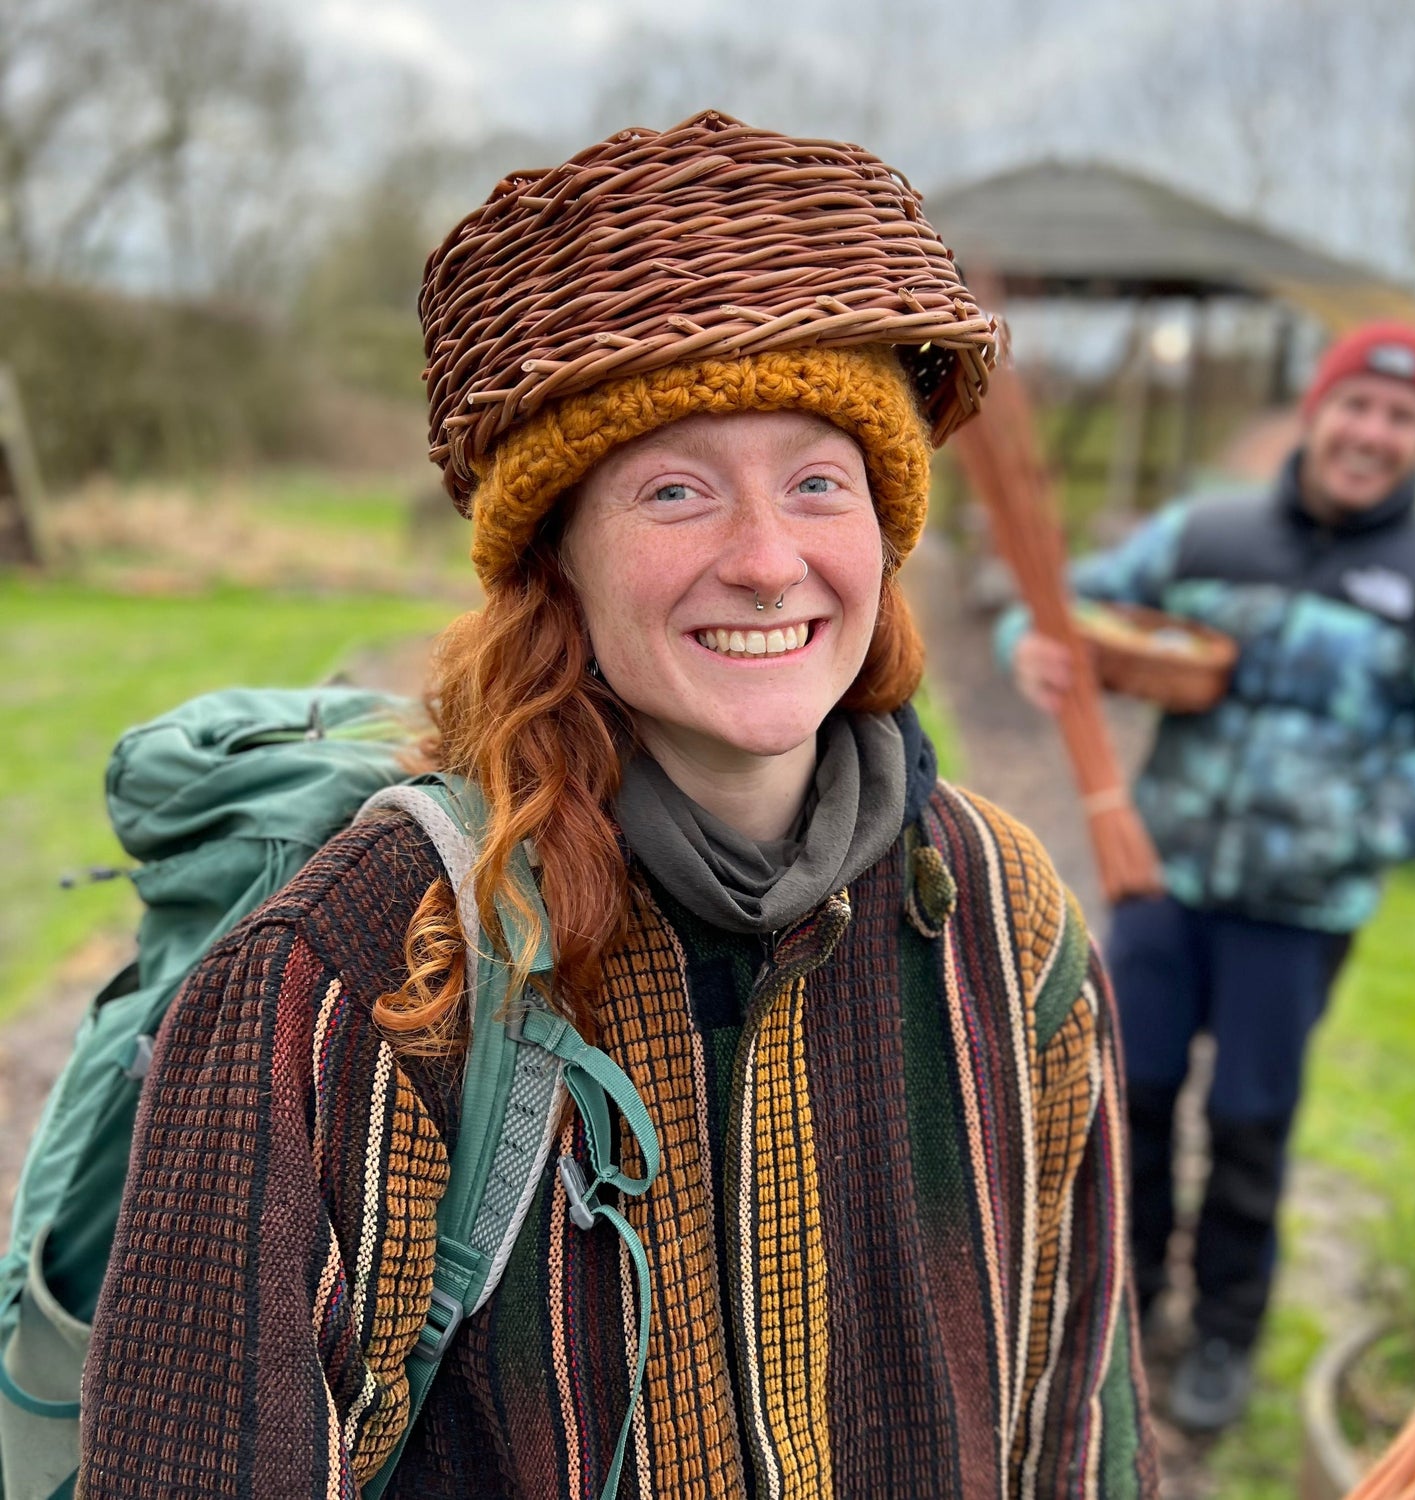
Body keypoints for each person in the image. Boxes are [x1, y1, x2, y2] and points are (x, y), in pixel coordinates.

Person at [77, 114, 1158, 1498]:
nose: (768, 563)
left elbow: (1083, 1434)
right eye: (676, 490)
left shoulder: (1006, 930)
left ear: (883, 536)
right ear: (557, 561)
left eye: (819, 482)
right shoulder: (358, 973)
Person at [997, 320, 1415, 1432]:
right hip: (1160, 881)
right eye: (1356, 405)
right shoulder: (1207, 532)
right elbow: (1061, 610)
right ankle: (1123, 1304)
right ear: (1317, 409)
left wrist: (1365, 822)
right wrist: (1031, 650)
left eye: (1400, 417)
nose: (1371, 432)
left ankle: (1224, 1329)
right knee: (1127, 1095)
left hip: (1300, 911)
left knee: (1249, 1118)